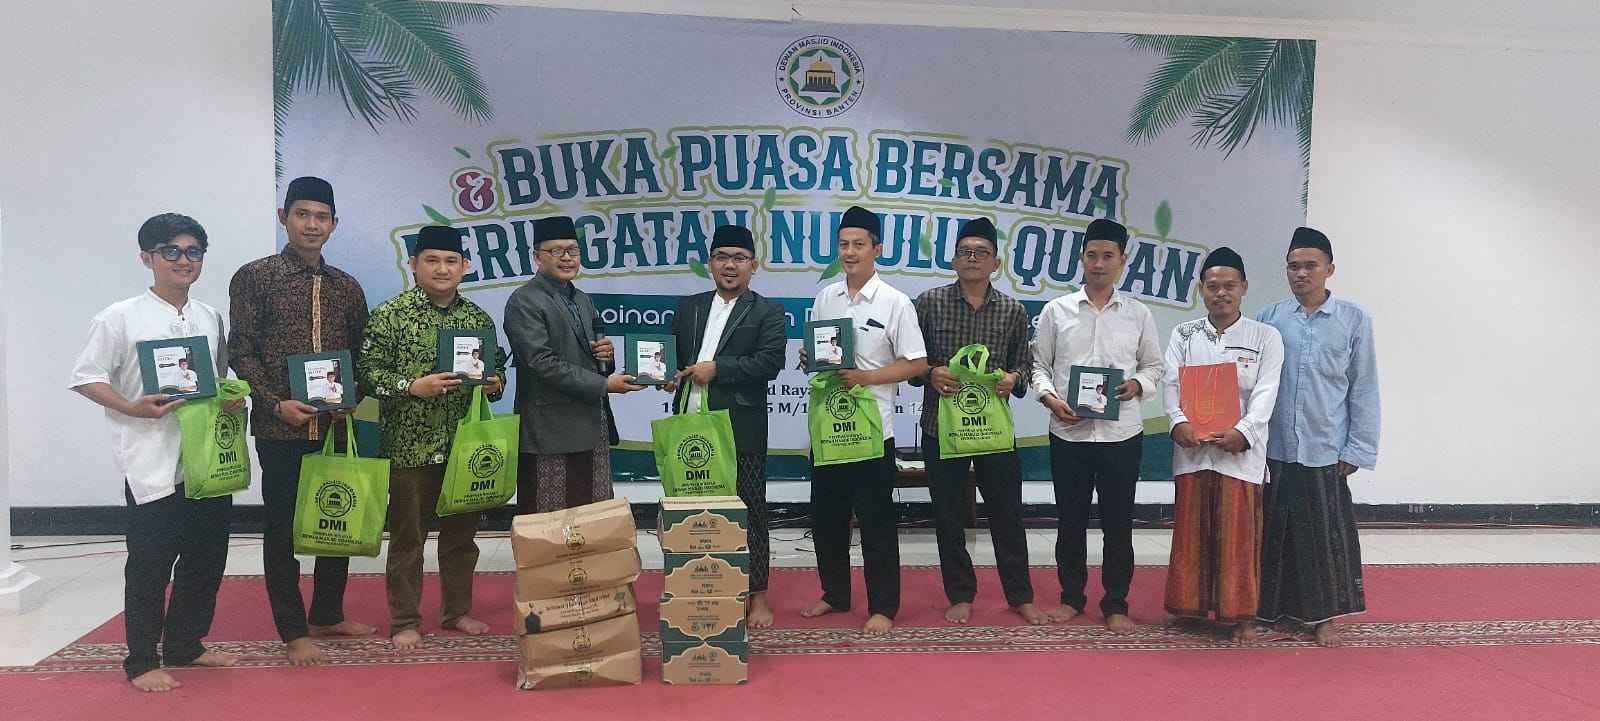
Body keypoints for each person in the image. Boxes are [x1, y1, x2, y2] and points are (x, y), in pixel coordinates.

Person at [69, 213, 241, 691]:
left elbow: (214, 380)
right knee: (151, 564)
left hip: (206, 460)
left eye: (193, 252)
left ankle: (186, 643)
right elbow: (85, 377)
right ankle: (142, 660)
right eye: (171, 251)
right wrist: (130, 407)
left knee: (206, 559)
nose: (184, 261)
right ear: (147, 258)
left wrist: (231, 397)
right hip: (151, 461)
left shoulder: (210, 317)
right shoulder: (120, 317)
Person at [228, 176, 374, 665]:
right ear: (284, 217)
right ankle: (293, 631)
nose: (312, 224)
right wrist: (274, 404)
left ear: (334, 224)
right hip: (281, 427)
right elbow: (241, 351)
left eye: (322, 217)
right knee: (283, 530)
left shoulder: (346, 287)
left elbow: (361, 353)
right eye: (302, 214)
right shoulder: (255, 277)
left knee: (337, 516)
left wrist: (355, 395)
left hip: (335, 426)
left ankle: (327, 613)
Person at [356, 225, 507, 651]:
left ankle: (457, 611)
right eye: (432, 260)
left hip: (465, 448)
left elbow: (497, 370)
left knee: (462, 539)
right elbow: (367, 374)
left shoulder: (477, 319)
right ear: (414, 264)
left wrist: (494, 383)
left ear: (465, 266)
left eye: (451, 261)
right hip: (409, 446)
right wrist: (410, 386)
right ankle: (405, 620)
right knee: (408, 540)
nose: (442, 269)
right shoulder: (390, 315)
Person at [1029, 218, 1165, 635]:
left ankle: (1116, 603)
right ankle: (1071, 597)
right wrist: (1050, 399)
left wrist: (1136, 385)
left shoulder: (1138, 314)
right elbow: (1039, 366)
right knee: (1070, 520)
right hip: (1068, 434)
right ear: (1081, 258)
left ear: (1123, 260)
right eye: (1092, 255)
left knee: (1118, 523)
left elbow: (1154, 366)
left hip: (1121, 436)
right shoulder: (1057, 311)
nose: (1099, 264)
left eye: (1108, 256)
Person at [800, 206, 928, 636]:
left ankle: (883, 606)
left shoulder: (895, 302)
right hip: (829, 429)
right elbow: (822, 357)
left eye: (858, 245)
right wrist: (809, 358)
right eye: (843, 245)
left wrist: (867, 377)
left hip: (873, 432)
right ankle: (835, 594)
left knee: (876, 524)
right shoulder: (826, 297)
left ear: (877, 249)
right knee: (826, 520)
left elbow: (916, 363)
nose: (850, 252)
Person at [911, 217, 1041, 626]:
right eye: (965, 252)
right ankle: (960, 594)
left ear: (996, 263)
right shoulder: (929, 303)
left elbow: (1025, 363)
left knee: (1007, 514)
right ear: (953, 260)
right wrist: (929, 372)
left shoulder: (1013, 310)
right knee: (949, 516)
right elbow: (910, 360)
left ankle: (1020, 595)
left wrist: (1013, 378)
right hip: (941, 426)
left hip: (993, 431)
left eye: (981, 252)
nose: (972, 258)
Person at [1255, 227, 1380, 647]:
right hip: (1274, 447)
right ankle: (1274, 610)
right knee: (1275, 535)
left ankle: (1323, 618)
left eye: (1310, 265)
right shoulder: (1269, 319)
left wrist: (1357, 448)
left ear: (1330, 269)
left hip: (1325, 446)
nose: (1301, 274)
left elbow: (1364, 387)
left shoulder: (1354, 320)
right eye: (1293, 266)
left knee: (1324, 538)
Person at [663, 225, 787, 627]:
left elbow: (769, 363)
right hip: (689, 426)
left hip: (739, 429)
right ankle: (702, 589)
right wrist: (666, 374)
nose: (729, 265)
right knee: (693, 513)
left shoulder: (767, 311)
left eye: (738, 258)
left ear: (754, 265)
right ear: (710, 263)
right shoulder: (689, 307)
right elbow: (671, 356)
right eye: (721, 257)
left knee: (749, 512)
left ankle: (758, 596)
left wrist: (718, 369)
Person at [1161, 246, 1283, 644]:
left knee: (1238, 537)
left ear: (1244, 288)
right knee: (1192, 534)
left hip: (1240, 455)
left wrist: (1244, 432)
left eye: (1229, 286)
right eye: (1212, 286)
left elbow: (1266, 391)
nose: (1221, 293)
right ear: (1201, 290)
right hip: (1194, 452)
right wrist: (1177, 421)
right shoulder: (1184, 334)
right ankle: (1189, 609)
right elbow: (1171, 383)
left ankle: (1241, 615)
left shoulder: (1265, 336)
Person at [503, 215, 643, 513]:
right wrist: (604, 384)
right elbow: (541, 362)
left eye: (573, 250)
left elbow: (586, 355)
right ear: (537, 257)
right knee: (548, 522)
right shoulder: (524, 300)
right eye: (556, 251)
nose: (566, 258)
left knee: (593, 518)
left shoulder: (582, 299)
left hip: (591, 424)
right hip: (550, 430)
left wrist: (606, 356)